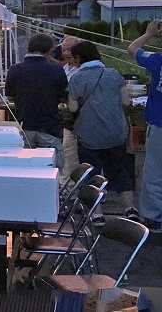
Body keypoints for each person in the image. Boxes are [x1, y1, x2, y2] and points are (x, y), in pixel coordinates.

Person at [68, 40, 138, 223]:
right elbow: (125, 102)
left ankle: (97, 213)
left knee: (91, 173)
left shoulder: (77, 78)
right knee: (119, 170)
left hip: (90, 134)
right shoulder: (113, 74)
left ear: (78, 58)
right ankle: (130, 208)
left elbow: (73, 108)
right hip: (115, 133)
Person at [4, 33, 68, 168]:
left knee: (27, 168)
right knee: (52, 168)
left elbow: (10, 96)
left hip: (25, 124)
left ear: (29, 48)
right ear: (50, 49)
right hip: (49, 125)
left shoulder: (15, 69)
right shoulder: (56, 71)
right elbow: (63, 97)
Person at [129, 20, 162, 233]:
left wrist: (148, 33)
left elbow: (133, 49)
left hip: (159, 123)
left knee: (154, 172)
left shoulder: (157, 61)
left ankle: (154, 217)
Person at [59, 36, 82, 173]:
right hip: (65, 118)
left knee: (71, 154)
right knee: (67, 152)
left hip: (77, 118)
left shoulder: (81, 71)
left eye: (69, 50)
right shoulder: (65, 68)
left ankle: (71, 189)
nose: (66, 53)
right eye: (63, 50)